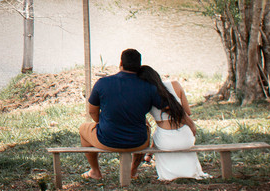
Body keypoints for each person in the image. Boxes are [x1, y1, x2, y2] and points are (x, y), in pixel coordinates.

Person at [78, 48, 169, 181]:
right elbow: (165, 106)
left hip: (107, 140)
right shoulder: (149, 86)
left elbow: (92, 111)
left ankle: (95, 171)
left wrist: (100, 123)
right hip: (138, 142)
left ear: (121, 63)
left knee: (83, 129)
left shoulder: (103, 83)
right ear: (139, 65)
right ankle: (132, 171)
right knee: (146, 128)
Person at [138, 65, 210, 181]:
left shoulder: (145, 94)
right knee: (159, 132)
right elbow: (188, 112)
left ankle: (165, 170)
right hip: (186, 138)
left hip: (165, 142)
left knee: (159, 132)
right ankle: (190, 171)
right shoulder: (175, 84)